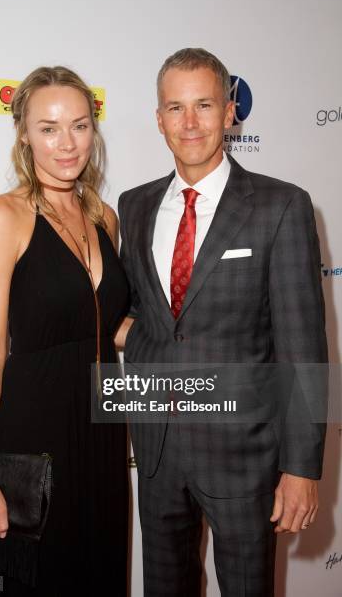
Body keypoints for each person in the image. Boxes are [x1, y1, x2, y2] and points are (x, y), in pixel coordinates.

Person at [118, 48, 328, 596]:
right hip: (157, 454)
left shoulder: (280, 206)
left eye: (204, 105)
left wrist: (302, 469)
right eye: (175, 108)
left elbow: (301, 345)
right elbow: (140, 313)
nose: (189, 123)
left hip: (247, 458)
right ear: (158, 118)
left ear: (230, 111)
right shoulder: (133, 206)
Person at [0, 66, 131, 596]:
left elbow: (102, 324)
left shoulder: (104, 215)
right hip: (35, 439)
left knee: (104, 576)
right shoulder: (2, 216)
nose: (66, 143)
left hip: (103, 433)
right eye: (49, 127)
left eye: (79, 125)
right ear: (24, 134)